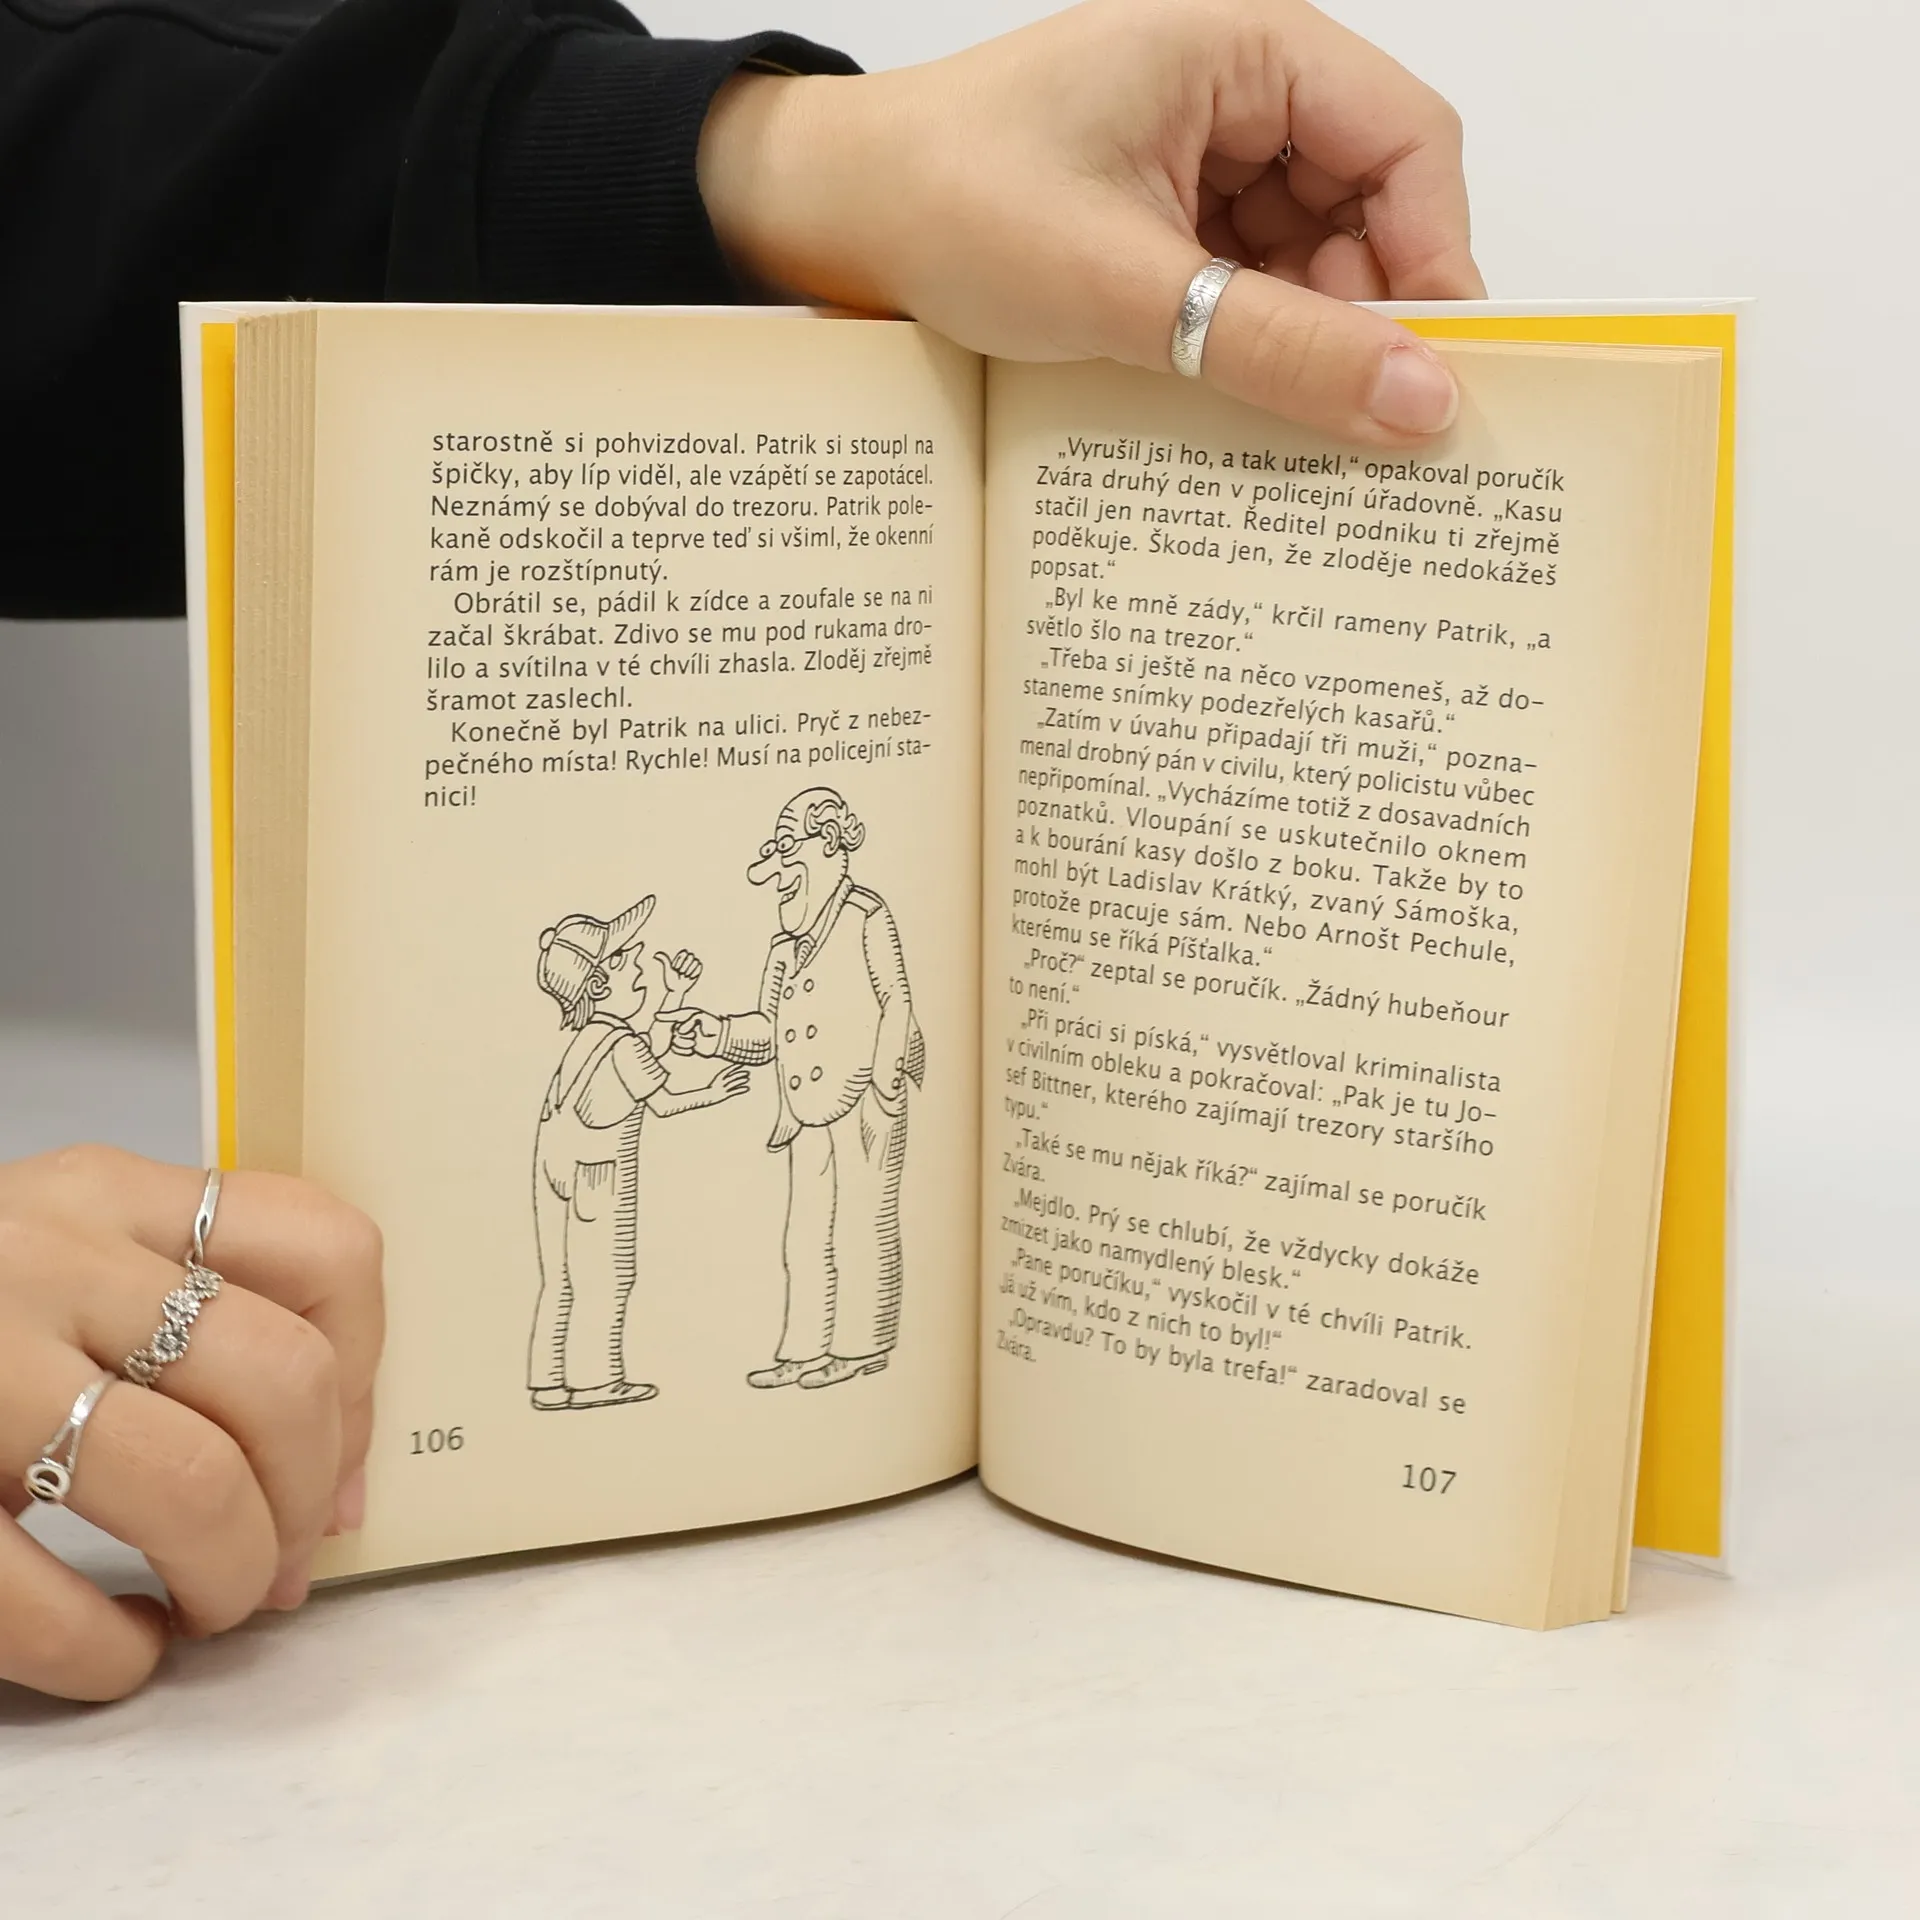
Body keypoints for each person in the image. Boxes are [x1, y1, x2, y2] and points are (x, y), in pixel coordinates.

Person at [0, 0, 1485, 1699]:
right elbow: (701, 1045)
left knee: (814, 1243)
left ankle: (817, 1352)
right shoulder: (718, 978)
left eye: (790, 856)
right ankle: (741, 1369)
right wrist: (755, 1053)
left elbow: (64, 186)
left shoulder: (832, 928)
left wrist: (769, 163)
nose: (771, 879)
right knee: (705, 1257)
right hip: (756, 1117)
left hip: (834, 1103)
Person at [669, 790, 921, 1391]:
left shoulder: (865, 915)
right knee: (806, 1231)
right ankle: (805, 1347)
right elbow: (767, 1029)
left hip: (864, 1099)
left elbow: (897, 1001)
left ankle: (860, 1345)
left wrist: (885, 1085)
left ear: (829, 843)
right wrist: (715, 1034)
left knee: (862, 1222)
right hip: (805, 1109)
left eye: (787, 852)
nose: (778, 876)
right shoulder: (783, 949)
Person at [529, 899, 750, 1411]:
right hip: (597, 1171)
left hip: (555, 1164)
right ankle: (596, 1381)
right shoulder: (622, 1044)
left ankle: (549, 1381)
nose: (640, 965)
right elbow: (664, 1100)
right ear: (600, 985)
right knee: (605, 1275)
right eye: (627, 959)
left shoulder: (593, 1036)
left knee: (560, 1279)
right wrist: (715, 1090)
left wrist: (674, 995)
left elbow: (641, 1055)